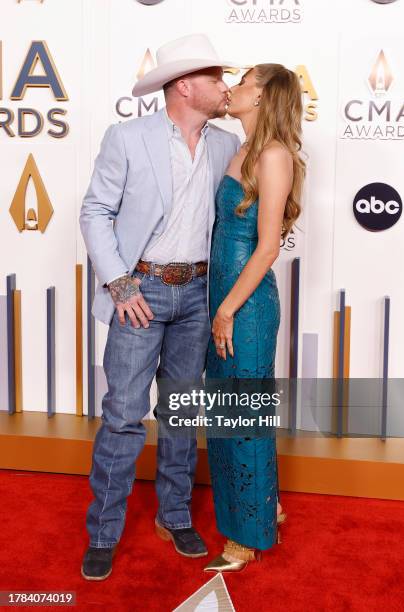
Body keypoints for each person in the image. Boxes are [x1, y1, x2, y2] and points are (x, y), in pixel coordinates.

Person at [78, 33, 241, 581]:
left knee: (181, 412)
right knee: (124, 416)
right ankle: (103, 531)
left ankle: (174, 515)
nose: (224, 87)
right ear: (184, 85)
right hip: (139, 293)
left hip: (198, 294)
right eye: (215, 78)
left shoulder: (225, 145)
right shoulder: (127, 137)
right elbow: (95, 211)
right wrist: (119, 284)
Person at [203, 64, 305, 572]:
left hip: (246, 308)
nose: (232, 89)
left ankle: (246, 537)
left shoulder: (274, 155)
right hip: (223, 301)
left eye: (242, 82)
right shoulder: (238, 148)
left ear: (262, 96)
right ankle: (266, 508)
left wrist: (225, 309)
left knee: (240, 419)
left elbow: (266, 248)